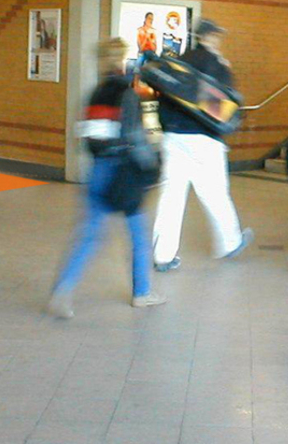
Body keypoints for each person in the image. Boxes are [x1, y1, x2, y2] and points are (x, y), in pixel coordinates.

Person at [48, 38, 165, 319]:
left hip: (98, 170)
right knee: (138, 234)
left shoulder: (95, 93)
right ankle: (142, 292)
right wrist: (151, 166)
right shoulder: (127, 93)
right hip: (124, 173)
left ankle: (62, 291)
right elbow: (135, 137)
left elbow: (86, 136)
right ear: (122, 58)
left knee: (88, 235)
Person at [152, 19, 253, 271]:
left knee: (170, 197)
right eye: (217, 37)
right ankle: (229, 242)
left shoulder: (178, 63)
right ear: (209, 37)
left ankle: (162, 256)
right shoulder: (216, 64)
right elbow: (226, 108)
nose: (219, 41)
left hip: (173, 137)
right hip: (204, 141)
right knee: (214, 192)